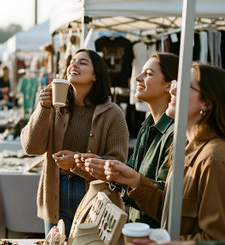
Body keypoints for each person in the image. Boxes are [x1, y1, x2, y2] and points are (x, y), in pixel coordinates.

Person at [104, 63, 225, 240]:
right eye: (175, 83)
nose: (172, 91)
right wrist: (135, 181)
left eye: (183, 86)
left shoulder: (216, 158)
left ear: (207, 103)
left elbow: (220, 239)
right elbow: (172, 212)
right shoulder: (186, 147)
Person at [20, 49, 130, 237]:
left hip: (94, 197)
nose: (74, 64)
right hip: (56, 191)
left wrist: (76, 162)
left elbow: (117, 163)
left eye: (83, 62)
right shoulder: (54, 108)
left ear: (96, 76)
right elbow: (31, 147)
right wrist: (43, 108)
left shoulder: (113, 114)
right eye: (72, 61)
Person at [76, 53, 179, 228]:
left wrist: (132, 179)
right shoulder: (147, 126)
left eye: (148, 73)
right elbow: (132, 174)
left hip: (156, 235)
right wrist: (107, 171)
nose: (138, 78)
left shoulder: (174, 133)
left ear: (170, 86)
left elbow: (169, 197)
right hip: (137, 229)